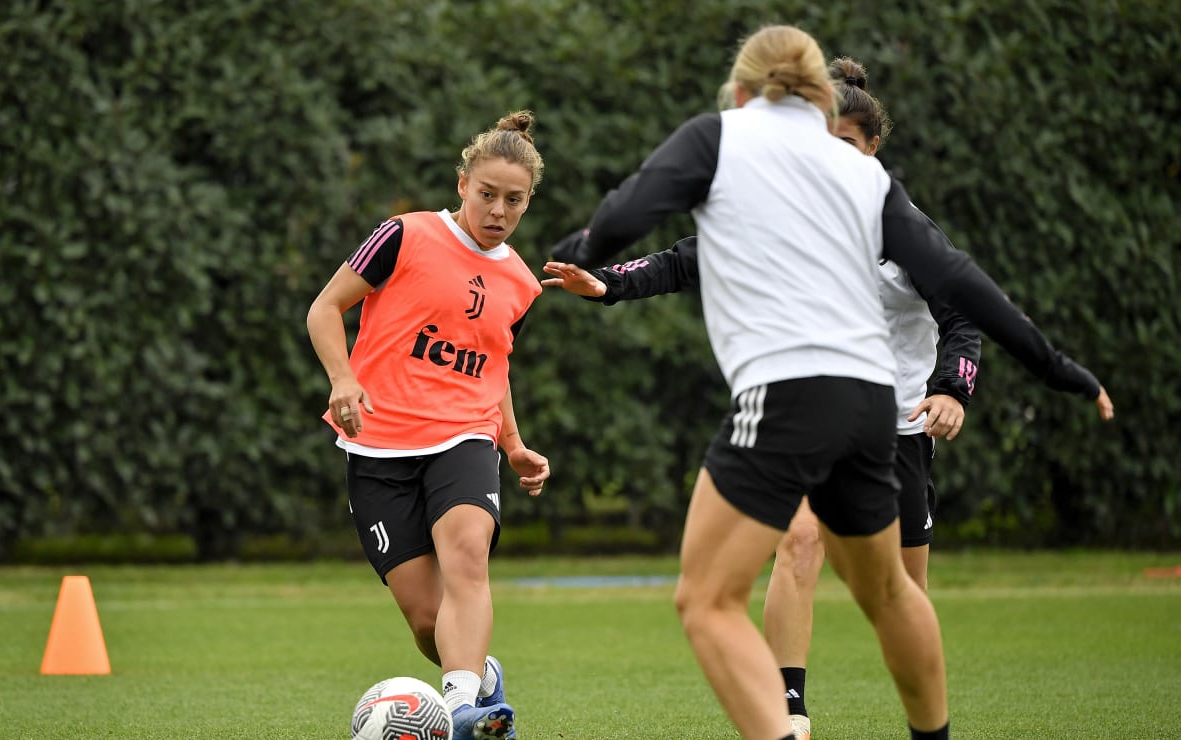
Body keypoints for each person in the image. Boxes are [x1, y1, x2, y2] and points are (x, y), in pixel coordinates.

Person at [549, 25, 1113, 740]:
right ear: (820, 97)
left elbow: (623, 217)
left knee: (705, 600)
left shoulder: (718, 137)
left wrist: (581, 250)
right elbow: (964, 281)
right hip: (875, 406)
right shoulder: (861, 176)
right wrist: (1056, 367)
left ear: (743, 89)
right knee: (887, 591)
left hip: (788, 394)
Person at [306, 110, 551, 740]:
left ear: (528, 202)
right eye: (487, 194)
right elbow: (324, 310)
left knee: (468, 555)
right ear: (463, 182)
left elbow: (491, 372)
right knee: (427, 623)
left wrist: (514, 445)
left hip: (464, 437)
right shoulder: (403, 236)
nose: (498, 210)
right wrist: (343, 379)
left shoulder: (522, 283)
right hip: (378, 445)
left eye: (514, 200)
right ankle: (482, 682)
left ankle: (464, 711)